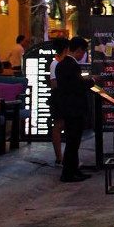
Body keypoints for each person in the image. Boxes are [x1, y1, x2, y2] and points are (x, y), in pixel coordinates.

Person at [55, 36, 96, 183]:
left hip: (66, 107)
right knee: (73, 142)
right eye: (83, 52)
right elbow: (77, 86)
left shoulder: (61, 65)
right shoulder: (72, 66)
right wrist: (91, 81)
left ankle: (74, 170)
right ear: (79, 50)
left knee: (73, 141)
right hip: (74, 108)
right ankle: (68, 173)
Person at [49, 37, 69, 166]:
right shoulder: (55, 64)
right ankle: (59, 156)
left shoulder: (60, 63)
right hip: (59, 98)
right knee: (58, 127)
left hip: (63, 97)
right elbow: (54, 83)